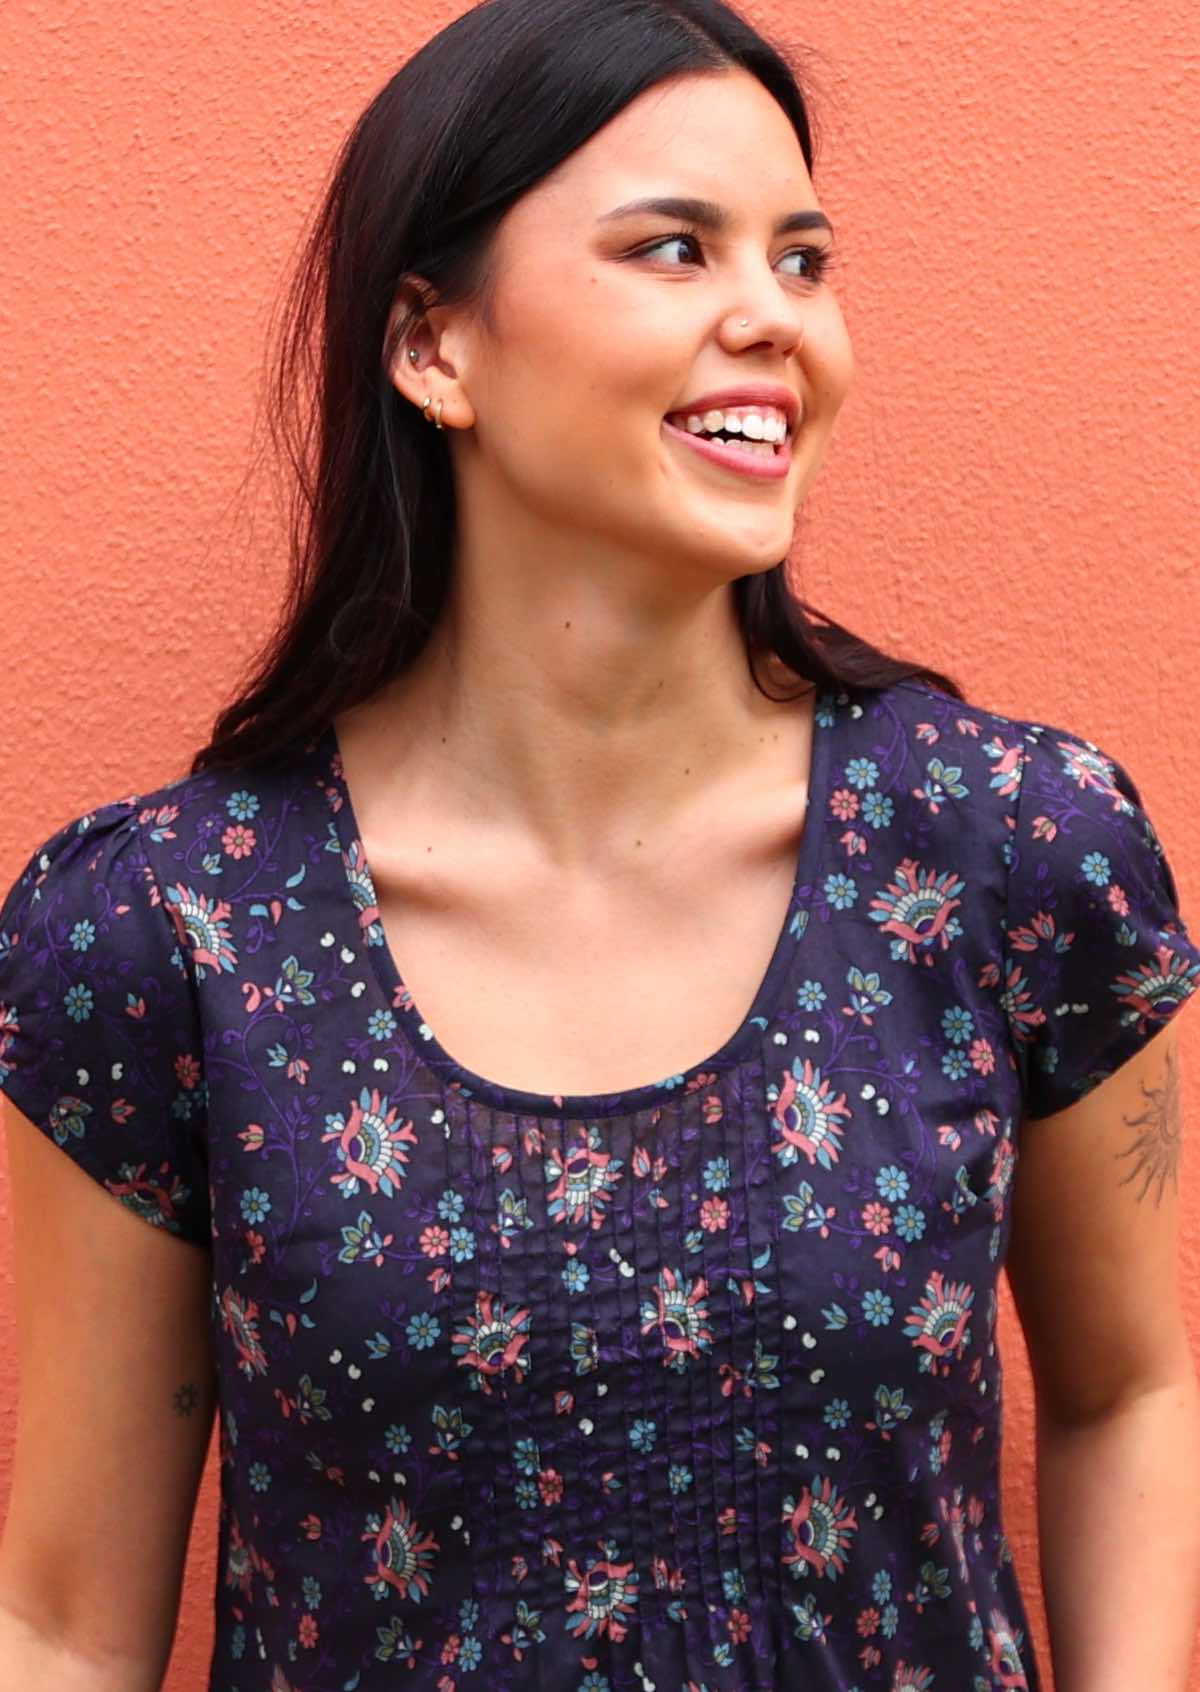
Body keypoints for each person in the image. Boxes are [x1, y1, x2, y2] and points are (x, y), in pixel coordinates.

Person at [1, 0, 1199, 1688]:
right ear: (433, 346)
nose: (769, 320)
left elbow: (1129, 1391)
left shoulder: (1010, 854)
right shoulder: (167, 936)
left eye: (801, 259)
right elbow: (61, 1620)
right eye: (672, 248)